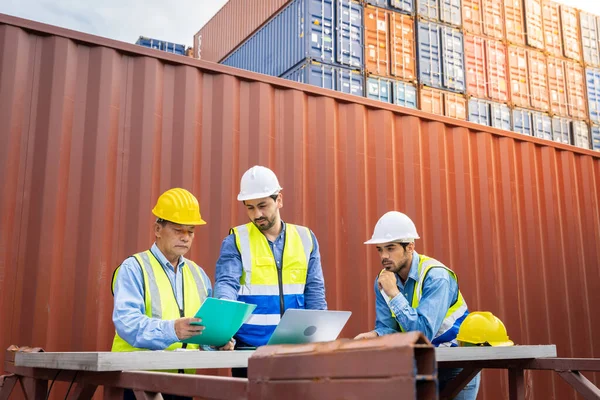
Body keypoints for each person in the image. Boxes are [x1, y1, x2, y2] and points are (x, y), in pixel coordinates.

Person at [111, 188, 233, 399]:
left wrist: (216, 341)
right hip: (136, 382)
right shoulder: (134, 268)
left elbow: (201, 331)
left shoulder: (199, 275)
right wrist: (173, 330)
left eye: (191, 231)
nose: (185, 238)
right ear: (158, 229)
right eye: (178, 230)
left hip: (182, 384)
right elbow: (127, 324)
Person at [214, 165, 327, 377]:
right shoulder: (235, 241)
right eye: (250, 208)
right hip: (249, 353)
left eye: (263, 205)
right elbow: (226, 285)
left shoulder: (306, 239)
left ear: (279, 200)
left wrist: (317, 341)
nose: (257, 214)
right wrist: (223, 328)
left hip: (295, 351)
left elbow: (314, 293)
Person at [355, 211, 480, 400]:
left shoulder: (436, 276)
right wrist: (375, 335)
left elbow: (423, 334)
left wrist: (394, 294)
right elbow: (390, 330)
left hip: (457, 366)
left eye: (391, 248)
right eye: (379, 249)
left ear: (410, 246)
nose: (384, 256)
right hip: (422, 365)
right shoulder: (383, 281)